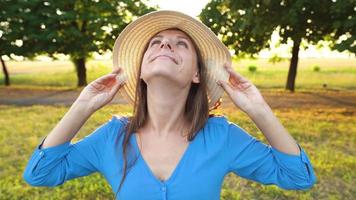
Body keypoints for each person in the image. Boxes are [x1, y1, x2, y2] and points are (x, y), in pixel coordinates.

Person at [23, 10, 317, 200]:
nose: (165, 45)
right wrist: (84, 105)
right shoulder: (113, 137)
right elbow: (40, 174)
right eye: (156, 42)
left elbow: (299, 177)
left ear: (197, 74)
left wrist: (258, 110)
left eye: (181, 44)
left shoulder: (221, 136)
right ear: (140, 70)